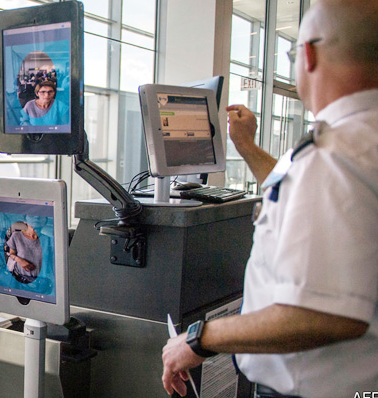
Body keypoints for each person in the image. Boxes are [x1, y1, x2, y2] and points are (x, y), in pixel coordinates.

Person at [161, 1, 378, 397]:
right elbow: (295, 188)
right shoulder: (360, 142)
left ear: (309, 54)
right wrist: (247, 146)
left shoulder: (334, 156)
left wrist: (200, 338)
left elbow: (327, 314)